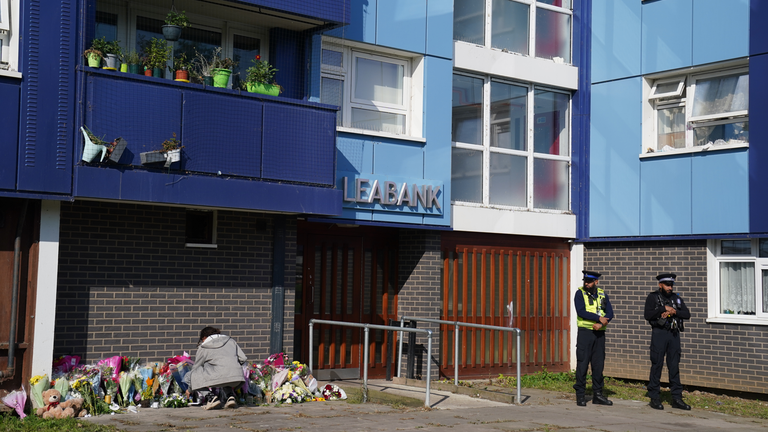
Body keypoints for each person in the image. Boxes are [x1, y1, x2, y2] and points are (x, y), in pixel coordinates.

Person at [643, 273, 691, 410]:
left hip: (674, 334)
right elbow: (647, 315)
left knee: (674, 366)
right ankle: (654, 397)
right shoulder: (653, 297)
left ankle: (676, 398)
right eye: (667, 285)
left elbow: (687, 314)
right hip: (659, 333)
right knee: (657, 364)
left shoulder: (676, 298)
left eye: (671, 285)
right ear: (660, 285)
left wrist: (673, 311)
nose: (670, 288)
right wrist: (663, 309)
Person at [573, 270, 614, 406]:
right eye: (585, 281)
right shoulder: (580, 293)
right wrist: (598, 318)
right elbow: (581, 311)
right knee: (583, 364)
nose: (587, 283)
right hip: (586, 333)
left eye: (590, 282)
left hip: (599, 334)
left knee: (598, 365)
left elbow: (610, 312)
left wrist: (600, 323)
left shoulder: (602, 294)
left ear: (596, 282)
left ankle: (598, 394)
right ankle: (580, 395)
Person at [184, 326, 248, 410]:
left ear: (204, 337)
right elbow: (243, 359)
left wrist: (190, 389)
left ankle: (211, 398)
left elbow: (195, 369)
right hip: (237, 377)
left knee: (188, 376)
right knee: (224, 376)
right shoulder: (231, 341)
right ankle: (230, 397)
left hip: (217, 376)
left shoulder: (203, 347)